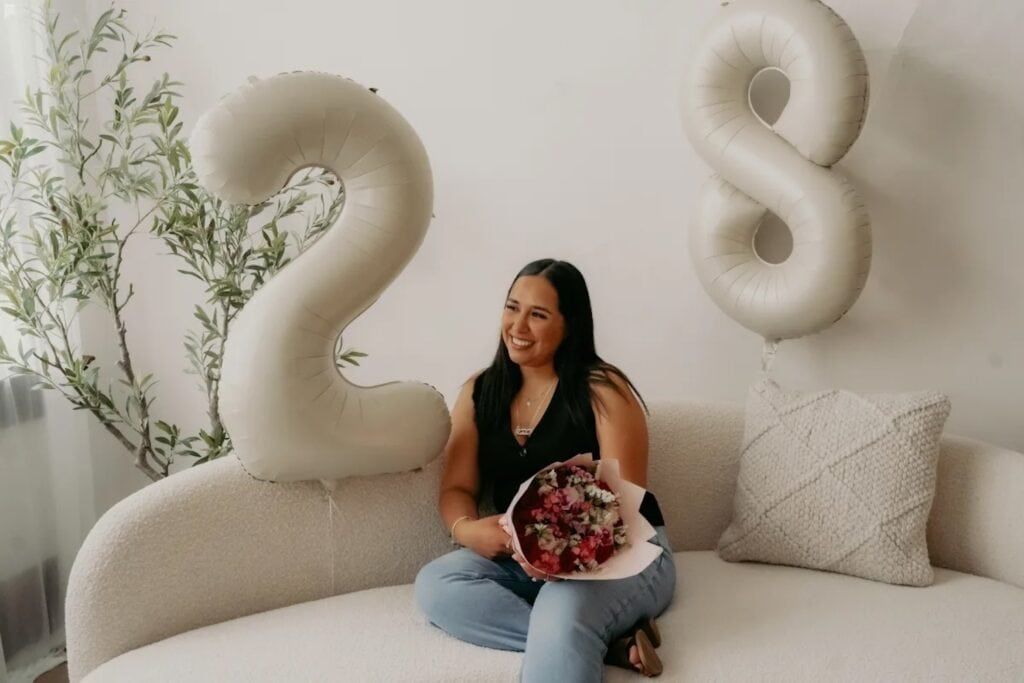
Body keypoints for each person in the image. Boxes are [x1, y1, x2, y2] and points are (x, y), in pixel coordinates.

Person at [415, 258, 676, 681]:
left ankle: (577, 632)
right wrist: (466, 530)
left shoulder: (603, 389)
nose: (518, 326)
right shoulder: (479, 391)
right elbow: (457, 487)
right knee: (437, 586)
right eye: (512, 307)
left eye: (538, 315)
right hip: (521, 558)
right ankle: (612, 644)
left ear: (569, 325)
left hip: (624, 553)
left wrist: (559, 558)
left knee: (562, 607)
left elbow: (626, 502)